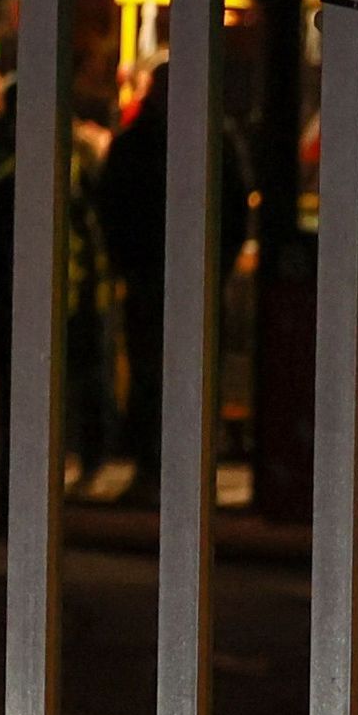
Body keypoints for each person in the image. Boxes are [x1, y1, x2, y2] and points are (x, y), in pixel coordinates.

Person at [101, 54, 258, 498]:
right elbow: (236, 210)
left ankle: (153, 470)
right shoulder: (217, 141)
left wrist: (127, 265)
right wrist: (220, 268)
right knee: (193, 373)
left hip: (153, 278)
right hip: (194, 280)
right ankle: (187, 471)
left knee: (154, 374)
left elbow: (112, 210)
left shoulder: (133, 143)